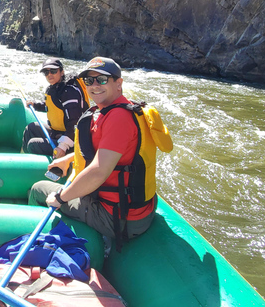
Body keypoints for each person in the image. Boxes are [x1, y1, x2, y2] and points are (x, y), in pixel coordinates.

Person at [28, 57, 170, 252]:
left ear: (118, 83)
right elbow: (109, 152)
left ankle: (36, 245)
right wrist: (69, 158)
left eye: (102, 80)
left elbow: (98, 172)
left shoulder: (118, 118)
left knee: (38, 189)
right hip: (133, 208)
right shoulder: (120, 109)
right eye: (89, 81)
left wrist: (60, 198)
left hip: (118, 218)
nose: (94, 85)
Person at [23, 58, 88, 158]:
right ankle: (23, 161)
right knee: (31, 128)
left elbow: (74, 123)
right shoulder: (56, 88)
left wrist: (63, 146)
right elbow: (52, 107)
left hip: (73, 141)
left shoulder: (69, 92)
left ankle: (39, 170)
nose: (49, 74)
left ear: (62, 72)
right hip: (58, 133)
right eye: (46, 72)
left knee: (33, 144)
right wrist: (35, 105)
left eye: (53, 71)